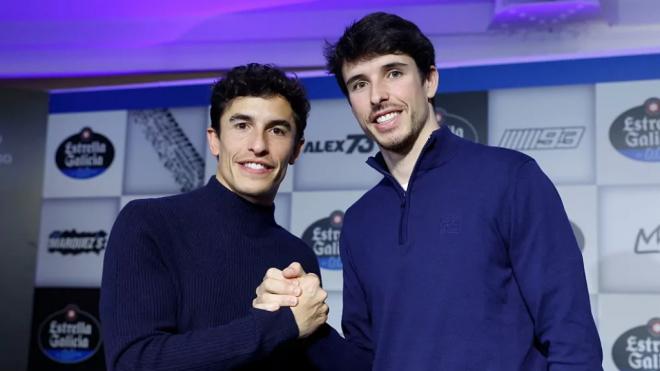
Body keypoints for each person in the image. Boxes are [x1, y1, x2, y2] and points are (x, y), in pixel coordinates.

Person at [253, 12, 603, 370]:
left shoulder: (510, 178)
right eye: (359, 83)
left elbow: (570, 337)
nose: (377, 96)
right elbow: (364, 358)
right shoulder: (360, 221)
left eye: (393, 72)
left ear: (430, 80)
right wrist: (301, 324)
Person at [100, 63, 332, 371]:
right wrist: (278, 326)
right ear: (214, 140)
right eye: (241, 126)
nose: (258, 145)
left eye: (277, 130)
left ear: (296, 149)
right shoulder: (149, 223)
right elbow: (134, 362)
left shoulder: (297, 255)